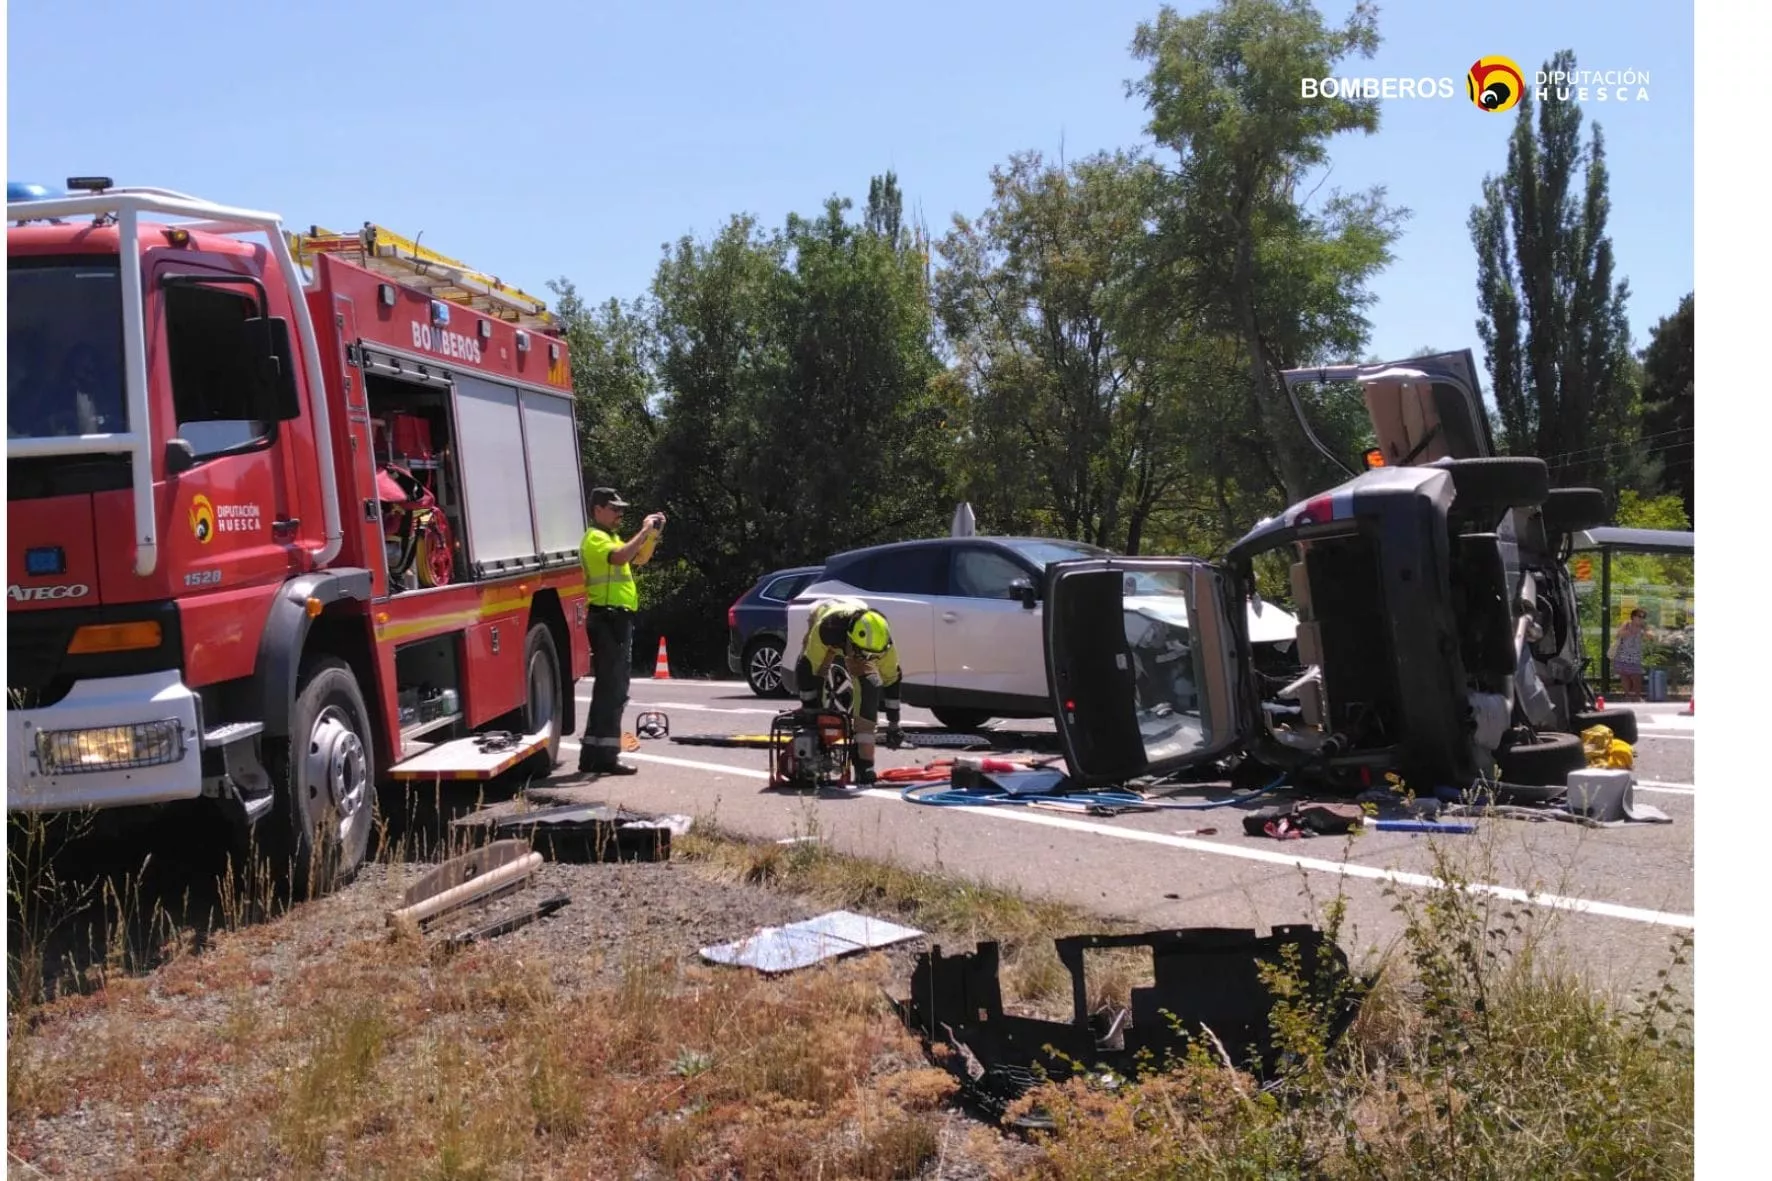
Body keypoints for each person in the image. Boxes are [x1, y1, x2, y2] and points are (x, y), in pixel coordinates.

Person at [577, 487, 665, 775]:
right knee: (612, 690)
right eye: (614, 509)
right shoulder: (596, 538)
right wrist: (642, 530)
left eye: (621, 510)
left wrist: (651, 535)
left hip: (617, 619)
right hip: (607, 619)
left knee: (612, 690)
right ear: (597, 510)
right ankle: (603, 757)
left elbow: (640, 558)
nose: (619, 514)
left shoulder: (612, 537)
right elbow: (621, 557)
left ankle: (596, 755)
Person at [793, 597, 903, 786]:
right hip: (824, 616)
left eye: (872, 656)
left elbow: (892, 681)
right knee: (813, 674)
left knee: (870, 686)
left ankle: (864, 763)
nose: (867, 659)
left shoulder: (882, 643)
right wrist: (811, 710)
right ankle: (815, 745)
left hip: (857, 630)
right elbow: (807, 669)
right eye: (864, 654)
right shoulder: (828, 629)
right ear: (851, 639)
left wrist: (894, 723)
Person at [1609, 607, 1652, 700]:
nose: (1641, 618)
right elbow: (1618, 634)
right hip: (1622, 654)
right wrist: (1629, 632)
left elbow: (1651, 635)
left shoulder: (1644, 626)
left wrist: (1644, 632)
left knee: (1636, 676)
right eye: (1639, 616)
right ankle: (1628, 695)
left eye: (1643, 617)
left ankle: (1637, 696)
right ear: (1633, 616)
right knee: (1624, 676)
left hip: (1635, 656)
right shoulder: (1627, 624)